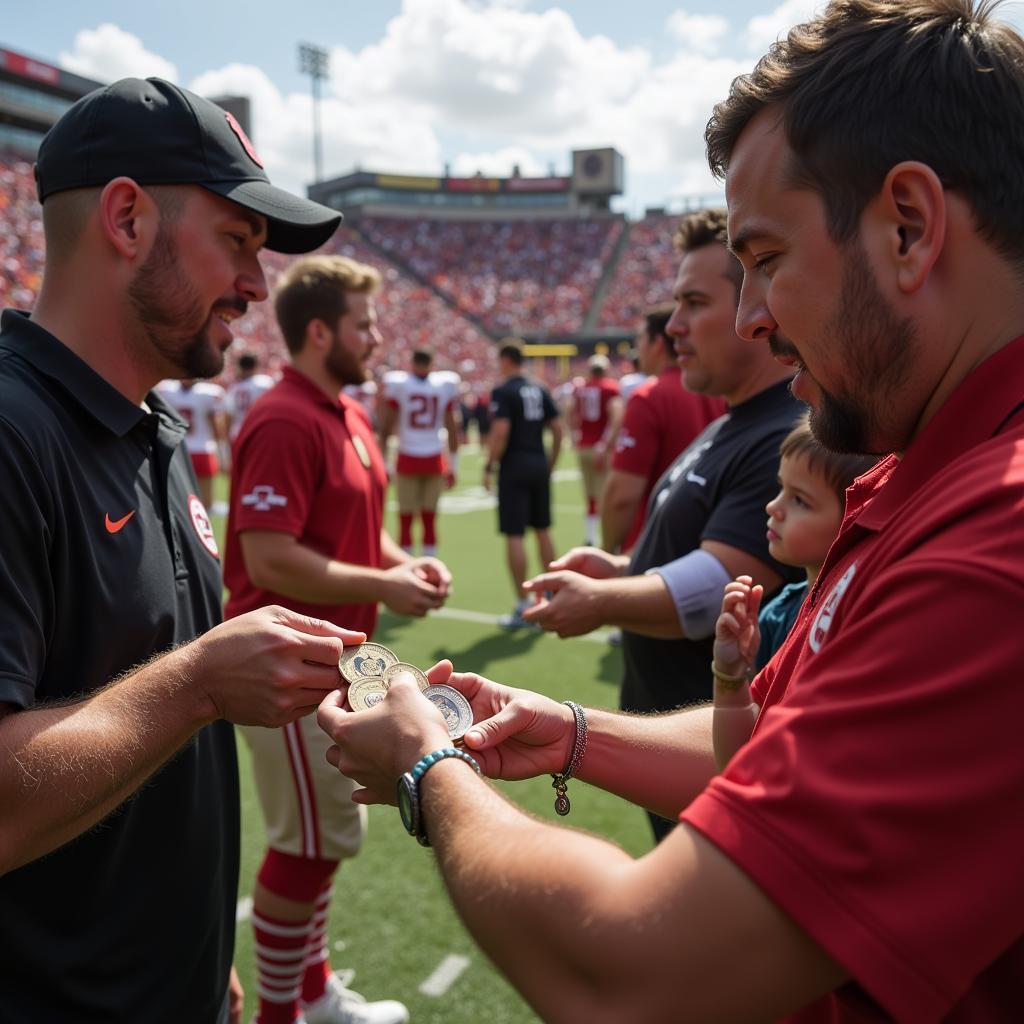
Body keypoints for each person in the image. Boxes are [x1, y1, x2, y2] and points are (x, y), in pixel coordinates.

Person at [318, 2, 1024, 1018]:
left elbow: (635, 975)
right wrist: (561, 728)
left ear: (907, 227)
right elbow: (770, 743)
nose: (748, 317)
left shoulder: (992, 542)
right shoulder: (912, 479)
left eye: (767, 258)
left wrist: (427, 764)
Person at [0, 76, 358, 1024]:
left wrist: (200, 950)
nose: (256, 282)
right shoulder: (11, 435)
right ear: (126, 218)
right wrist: (200, 683)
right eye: (237, 241)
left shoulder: (150, 429)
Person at [525, 209, 803, 839]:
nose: (673, 326)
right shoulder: (728, 421)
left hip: (719, 759)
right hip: (677, 743)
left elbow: (724, 584)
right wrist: (623, 568)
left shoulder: (788, 433)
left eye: (693, 303)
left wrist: (599, 600)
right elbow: (702, 550)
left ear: (754, 308)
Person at [225, 254, 450, 1024]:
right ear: (320, 333)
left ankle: (312, 992)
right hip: (285, 663)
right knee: (307, 841)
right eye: (366, 324)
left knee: (326, 838)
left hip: (340, 659)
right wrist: (384, 585)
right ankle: (281, 1014)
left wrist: (396, 562)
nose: (380, 337)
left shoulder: (345, 412)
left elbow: (355, 530)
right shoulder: (284, 416)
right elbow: (269, 555)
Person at [712, 416, 875, 769]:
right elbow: (736, 762)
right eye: (780, 488)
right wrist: (730, 675)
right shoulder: (778, 613)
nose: (774, 507)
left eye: (800, 500)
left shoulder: (861, 617)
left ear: (856, 516)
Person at [600, 302, 724, 554]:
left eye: (640, 340)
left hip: (653, 546)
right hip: (710, 543)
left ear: (657, 343)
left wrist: (608, 547)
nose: (638, 349)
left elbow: (622, 496)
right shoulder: (719, 390)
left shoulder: (648, 396)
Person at [483, 340, 563, 629]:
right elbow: (557, 428)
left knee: (514, 533)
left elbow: (501, 431)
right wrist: (551, 461)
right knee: (543, 530)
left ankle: (522, 605)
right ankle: (552, 595)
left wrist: (489, 465)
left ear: (506, 360)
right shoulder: (540, 387)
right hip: (538, 461)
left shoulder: (504, 390)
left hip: (515, 465)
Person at [378, 348, 461, 556]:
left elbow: (387, 427)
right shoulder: (443, 385)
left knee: (405, 520)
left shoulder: (401, 385)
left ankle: (407, 568)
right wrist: (454, 465)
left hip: (407, 457)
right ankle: (430, 567)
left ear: (412, 362)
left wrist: (384, 462)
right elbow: (452, 428)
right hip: (434, 458)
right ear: (431, 363)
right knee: (429, 519)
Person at [567, 354, 622, 545]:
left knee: (590, 493)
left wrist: (574, 434)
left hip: (584, 445)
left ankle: (591, 536)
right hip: (601, 448)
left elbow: (569, 410)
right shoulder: (610, 387)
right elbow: (616, 417)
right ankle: (607, 538)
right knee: (606, 494)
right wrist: (605, 443)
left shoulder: (580, 388)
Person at [157, 376, 229, 509]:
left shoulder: (166, 389)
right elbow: (217, 428)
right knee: (205, 505)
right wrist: (223, 454)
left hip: (175, 450)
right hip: (203, 450)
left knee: (176, 501)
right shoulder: (209, 393)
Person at [226, 351, 276, 441]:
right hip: (259, 430)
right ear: (255, 366)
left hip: (238, 432)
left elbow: (229, 416)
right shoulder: (264, 382)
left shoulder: (234, 388)